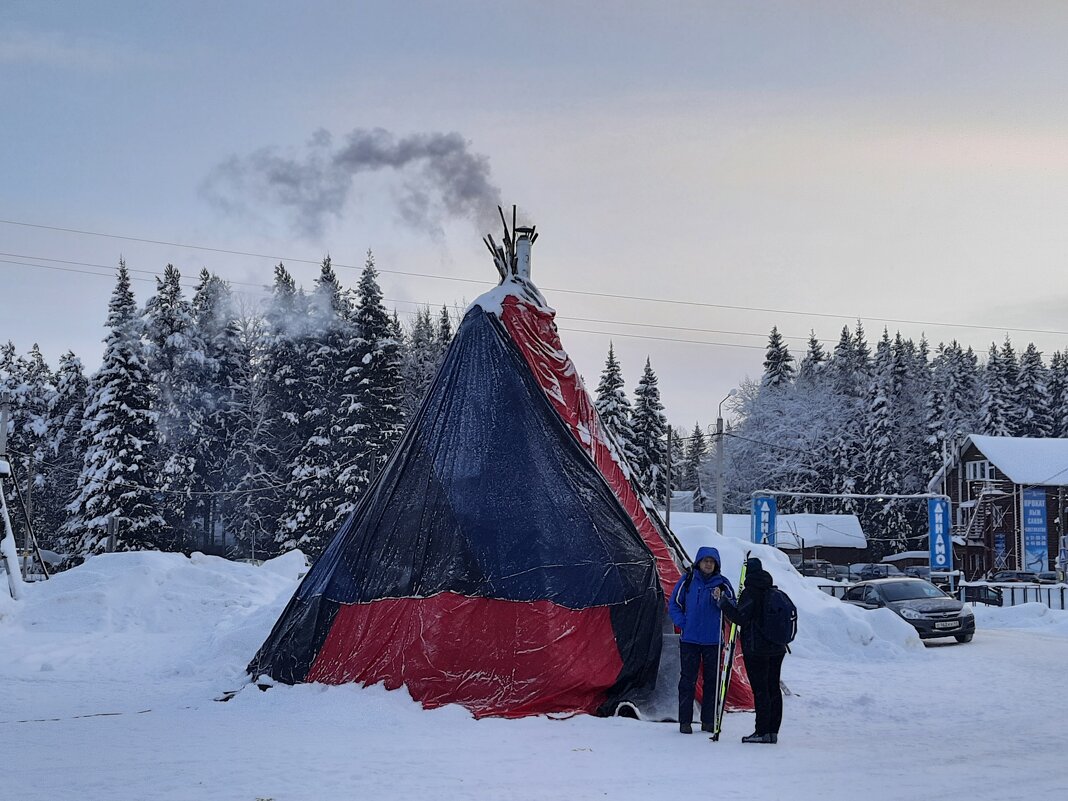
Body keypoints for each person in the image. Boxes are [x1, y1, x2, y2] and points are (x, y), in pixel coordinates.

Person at [714, 557, 787, 744]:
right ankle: (772, 731)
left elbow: (740, 617)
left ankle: (761, 731)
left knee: (760, 690)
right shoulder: (772, 589)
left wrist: (723, 603)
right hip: (777, 648)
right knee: (773, 689)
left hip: (757, 649)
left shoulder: (751, 592)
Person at [668, 546, 734, 734]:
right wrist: (683, 623)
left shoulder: (723, 584)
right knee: (687, 681)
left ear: (716, 565)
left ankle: (708, 721)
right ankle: (685, 721)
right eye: (705, 561)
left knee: (712, 682)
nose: (708, 564)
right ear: (699, 562)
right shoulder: (687, 581)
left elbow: (733, 609)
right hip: (690, 639)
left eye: (712, 562)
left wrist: (721, 600)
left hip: (713, 641)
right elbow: (674, 604)